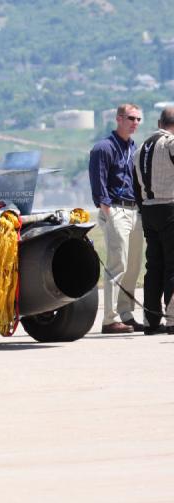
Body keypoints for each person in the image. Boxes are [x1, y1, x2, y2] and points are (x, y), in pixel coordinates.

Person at [89, 103, 145, 334]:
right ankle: (109, 319)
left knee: (133, 265)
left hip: (135, 210)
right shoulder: (103, 148)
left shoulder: (134, 148)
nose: (135, 123)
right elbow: (98, 180)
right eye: (131, 118)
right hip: (116, 209)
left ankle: (126, 314)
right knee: (117, 263)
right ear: (119, 119)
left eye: (138, 119)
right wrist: (107, 209)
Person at [133, 106, 174, 334]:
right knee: (172, 266)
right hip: (170, 207)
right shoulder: (170, 143)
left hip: (148, 210)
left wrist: (143, 209)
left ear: (160, 123)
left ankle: (151, 320)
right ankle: (172, 320)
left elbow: (136, 186)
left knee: (154, 266)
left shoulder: (141, 147)